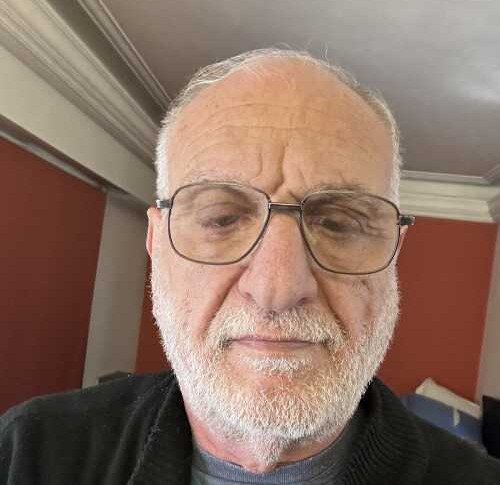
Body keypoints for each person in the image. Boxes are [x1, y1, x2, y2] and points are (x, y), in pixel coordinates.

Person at [1, 48, 499, 485]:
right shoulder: (27, 453)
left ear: (394, 253)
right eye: (222, 219)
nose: (276, 289)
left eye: (339, 224)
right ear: (155, 242)